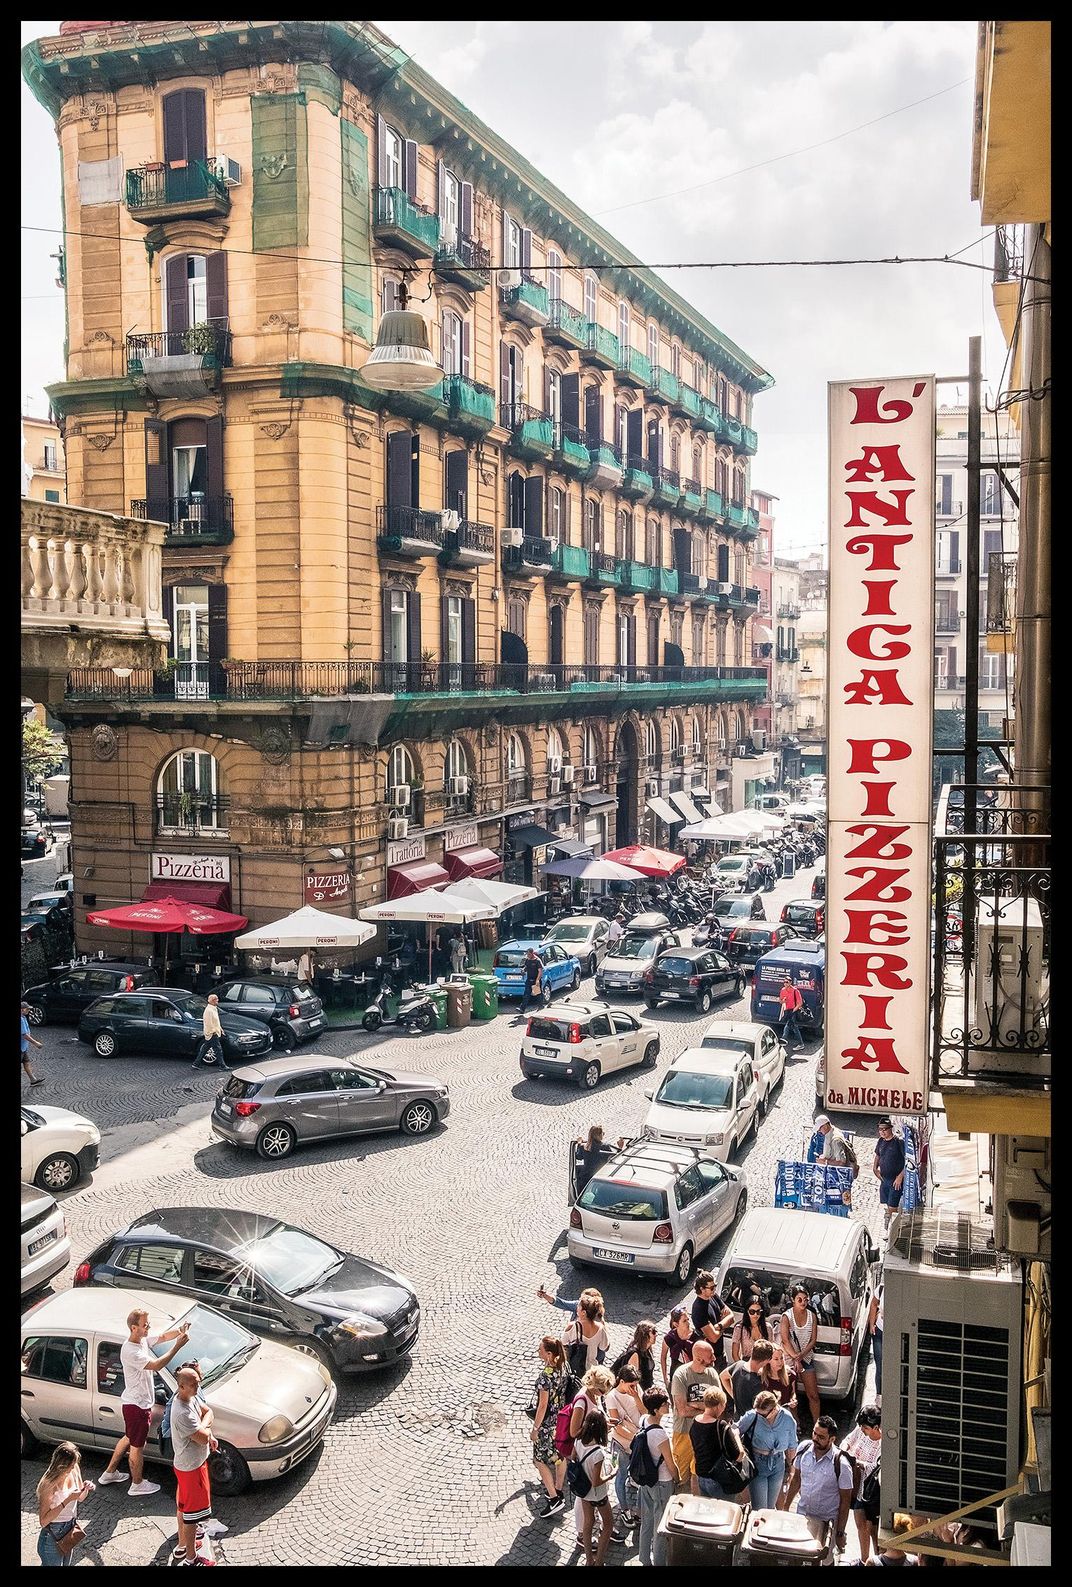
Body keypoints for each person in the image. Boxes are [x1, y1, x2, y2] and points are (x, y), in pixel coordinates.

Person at [98, 1307, 192, 1496]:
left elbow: (163, 1337)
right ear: (134, 1328)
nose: (148, 1327)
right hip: (137, 1406)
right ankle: (137, 1484)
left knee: (128, 1438)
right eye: (145, 1325)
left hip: (135, 1403)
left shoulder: (140, 1341)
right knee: (136, 1446)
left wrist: (180, 1331)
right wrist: (177, 1347)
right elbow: (157, 1365)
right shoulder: (131, 1351)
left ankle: (109, 1473)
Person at [780, 1414, 855, 1559]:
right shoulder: (804, 1448)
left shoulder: (842, 1464)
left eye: (821, 1437)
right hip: (802, 1517)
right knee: (798, 1558)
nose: (815, 1438)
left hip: (826, 1523)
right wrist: (785, 1508)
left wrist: (840, 1533)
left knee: (823, 1560)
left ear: (832, 1439)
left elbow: (845, 1502)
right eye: (815, 1433)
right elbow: (796, 1480)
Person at [170, 1365, 217, 1565]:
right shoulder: (181, 1412)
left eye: (198, 1382)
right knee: (191, 1517)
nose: (198, 1386)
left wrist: (206, 1429)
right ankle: (191, 1559)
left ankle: (184, 1547)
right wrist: (206, 1430)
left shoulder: (191, 1397)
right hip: (191, 1468)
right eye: (194, 1384)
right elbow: (202, 1437)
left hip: (189, 1465)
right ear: (182, 1386)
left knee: (184, 1509)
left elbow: (209, 1412)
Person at [633, 1387, 677, 1568]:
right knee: (660, 1527)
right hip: (662, 1483)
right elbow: (670, 1463)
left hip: (646, 1481)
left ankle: (644, 1559)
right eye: (665, 1403)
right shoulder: (660, 1434)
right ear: (657, 1409)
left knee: (647, 1522)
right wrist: (678, 1479)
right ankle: (659, 1562)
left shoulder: (644, 1420)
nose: (668, 1405)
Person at [669, 1339, 722, 1493]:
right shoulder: (681, 1375)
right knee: (681, 1474)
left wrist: (695, 1405)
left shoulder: (712, 1374)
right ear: (698, 1359)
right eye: (710, 1356)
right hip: (684, 1432)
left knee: (698, 1473)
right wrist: (706, 1409)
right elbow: (682, 1411)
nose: (714, 1358)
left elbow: (719, 1406)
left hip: (706, 1433)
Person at [736, 1389, 798, 1510]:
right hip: (758, 1464)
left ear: (774, 1409)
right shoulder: (753, 1415)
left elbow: (792, 1446)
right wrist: (739, 1449)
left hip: (778, 1463)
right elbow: (735, 1430)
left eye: (763, 1415)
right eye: (757, 1413)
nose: (759, 1416)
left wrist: (792, 1470)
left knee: (769, 1508)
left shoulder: (788, 1419)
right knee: (760, 1508)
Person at [530, 1336, 569, 1518]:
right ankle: (559, 1489)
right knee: (560, 1457)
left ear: (549, 1354)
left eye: (540, 1350)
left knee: (539, 1460)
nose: (538, 1351)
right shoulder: (563, 1368)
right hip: (560, 1421)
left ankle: (554, 1499)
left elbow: (542, 1405)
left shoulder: (545, 1377)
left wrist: (536, 1428)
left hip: (547, 1424)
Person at [37, 1441, 93, 1567]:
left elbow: (80, 1498)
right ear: (61, 1465)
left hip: (69, 1529)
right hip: (52, 1535)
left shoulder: (74, 1470)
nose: (73, 1468)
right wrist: (67, 1500)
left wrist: (85, 1488)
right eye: (71, 1465)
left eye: (74, 1464)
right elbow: (43, 1521)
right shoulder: (48, 1484)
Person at [605, 1364, 645, 1540]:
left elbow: (645, 1412)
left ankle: (638, 1509)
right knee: (621, 1475)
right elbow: (616, 1424)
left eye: (636, 1384)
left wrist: (637, 1397)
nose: (634, 1388)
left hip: (637, 1442)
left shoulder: (636, 1390)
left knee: (638, 1475)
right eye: (631, 1385)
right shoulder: (612, 1397)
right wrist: (636, 1436)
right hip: (622, 1443)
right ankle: (624, 1509)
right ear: (621, 1382)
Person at [689, 1385, 750, 1501]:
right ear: (718, 1406)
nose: (723, 1408)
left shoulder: (695, 1422)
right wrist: (736, 1435)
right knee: (723, 1516)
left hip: (702, 1476)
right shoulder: (721, 1426)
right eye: (723, 1405)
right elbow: (739, 1455)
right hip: (719, 1480)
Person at [573, 1409, 617, 1568]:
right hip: (598, 1495)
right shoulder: (598, 1453)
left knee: (588, 1523)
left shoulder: (578, 1440)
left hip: (584, 1493)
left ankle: (588, 1560)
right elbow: (597, 1481)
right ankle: (598, 1561)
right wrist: (612, 1474)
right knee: (608, 1524)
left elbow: (573, 1458)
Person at [842, 1405, 883, 1562]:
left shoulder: (883, 1442)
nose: (863, 1431)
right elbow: (848, 1440)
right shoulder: (861, 1430)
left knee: (874, 1529)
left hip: (874, 1491)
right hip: (859, 1487)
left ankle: (879, 1559)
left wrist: (856, 1462)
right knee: (860, 1523)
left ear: (876, 1427)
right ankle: (865, 1559)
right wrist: (845, 1450)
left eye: (866, 1428)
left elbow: (875, 1466)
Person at [780, 1285, 821, 1425]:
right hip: (788, 1359)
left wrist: (800, 1357)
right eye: (799, 1299)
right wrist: (794, 1358)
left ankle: (817, 1424)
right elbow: (785, 1340)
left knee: (813, 1395)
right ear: (793, 1300)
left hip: (805, 1358)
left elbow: (813, 1340)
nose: (803, 1302)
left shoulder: (812, 1316)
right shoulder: (787, 1316)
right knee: (791, 1394)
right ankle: (795, 1422)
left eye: (805, 1299)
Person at [691, 1270, 734, 1370]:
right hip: (708, 1360)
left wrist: (719, 1326)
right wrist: (724, 1323)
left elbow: (731, 1316)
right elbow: (713, 1337)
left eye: (715, 1286)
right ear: (702, 1289)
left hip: (720, 1354)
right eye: (711, 1288)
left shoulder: (713, 1296)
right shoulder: (699, 1309)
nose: (714, 1289)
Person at [723, 1337, 774, 1417]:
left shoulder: (738, 1365)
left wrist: (734, 1396)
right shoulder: (756, 1383)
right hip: (750, 1424)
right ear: (766, 1360)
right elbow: (761, 1411)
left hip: (737, 1420)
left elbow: (723, 1376)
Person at [563, 1294, 611, 1376]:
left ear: (583, 1312)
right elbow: (604, 1347)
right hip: (592, 1370)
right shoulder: (600, 1328)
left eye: (578, 1306)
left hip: (574, 1368)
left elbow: (563, 1344)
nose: (577, 1308)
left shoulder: (572, 1326)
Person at [874, 1119, 906, 1231]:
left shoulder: (899, 1142)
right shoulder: (881, 1141)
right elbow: (878, 1155)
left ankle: (893, 1232)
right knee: (888, 1206)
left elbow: (908, 1161)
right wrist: (875, 1169)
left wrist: (900, 1176)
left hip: (895, 1181)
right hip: (884, 1180)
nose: (882, 1132)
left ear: (890, 1128)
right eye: (880, 1129)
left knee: (893, 1208)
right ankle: (890, 1230)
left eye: (885, 1129)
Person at [611, 1321, 658, 1392]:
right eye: (653, 1332)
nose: (656, 1334)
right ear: (645, 1335)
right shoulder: (635, 1354)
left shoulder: (647, 1350)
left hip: (646, 1389)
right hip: (639, 1392)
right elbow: (632, 1381)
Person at [571, 1125, 618, 1196]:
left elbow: (578, 1157)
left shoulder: (584, 1147)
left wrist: (579, 1143)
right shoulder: (605, 1147)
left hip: (585, 1176)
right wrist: (620, 1147)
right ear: (599, 1135)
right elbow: (614, 1158)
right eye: (603, 1133)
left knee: (582, 1196)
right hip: (599, 1177)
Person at [660, 1307, 694, 1389]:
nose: (688, 1323)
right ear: (676, 1324)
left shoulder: (696, 1336)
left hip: (693, 1375)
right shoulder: (670, 1337)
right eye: (684, 1321)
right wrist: (665, 1378)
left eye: (688, 1319)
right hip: (676, 1373)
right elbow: (663, 1356)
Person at [191, 993, 225, 1071]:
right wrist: (214, 1032)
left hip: (213, 1032)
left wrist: (220, 1029)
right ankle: (222, 1066)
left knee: (205, 1048)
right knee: (218, 1049)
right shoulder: (209, 1011)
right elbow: (209, 1023)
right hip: (212, 1033)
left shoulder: (213, 1008)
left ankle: (196, 1063)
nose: (218, 1000)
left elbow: (216, 1021)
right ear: (213, 1001)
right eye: (216, 999)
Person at [777, 973, 805, 1052]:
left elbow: (800, 1003)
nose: (785, 983)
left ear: (790, 983)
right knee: (794, 1027)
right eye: (784, 982)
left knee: (788, 1026)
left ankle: (783, 1040)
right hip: (787, 1010)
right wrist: (783, 1001)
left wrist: (793, 1011)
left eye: (787, 982)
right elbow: (780, 1001)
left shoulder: (795, 991)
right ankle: (801, 1043)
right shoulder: (783, 990)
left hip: (793, 1011)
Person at [22, 1001, 46, 1086]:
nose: (29, 1010)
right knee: (26, 1062)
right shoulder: (21, 1019)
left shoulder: (23, 1017)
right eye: (27, 1009)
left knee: (26, 1062)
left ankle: (33, 1080)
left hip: (23, 1047)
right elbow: (24, 1035)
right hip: (21, 1047)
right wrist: (35, 1043)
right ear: (22, 1010)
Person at [869, 1283, 885, 1405]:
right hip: (879, 1332)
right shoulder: (881, 1288)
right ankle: (879, 1395)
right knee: (880, 1366)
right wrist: (871, 1325)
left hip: (894, 1335)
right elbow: (874, 1304)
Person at [518, 948, 543, 1016]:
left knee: (537, 994)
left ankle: (541, 1007)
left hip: (535, 981)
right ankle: (522, 1009)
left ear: (532, 953)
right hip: (529, 980)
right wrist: (523, 970)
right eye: (527, 954)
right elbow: (526, 967)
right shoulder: (527, 960)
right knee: (526, 994)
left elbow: (540, 971)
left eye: (529, 954)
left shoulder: (537, 961)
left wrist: (537, 980)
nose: (528, 955)